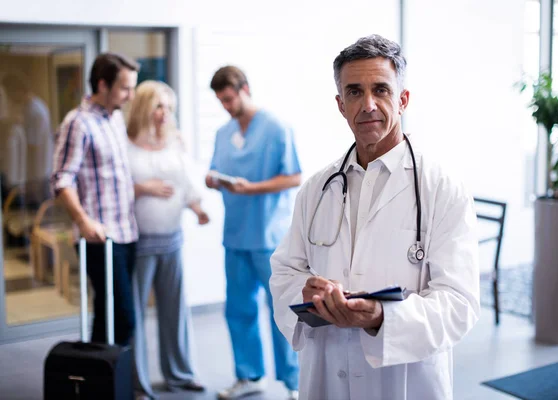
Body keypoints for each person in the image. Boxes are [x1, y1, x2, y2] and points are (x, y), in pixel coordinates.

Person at [269, 35, 480, 400]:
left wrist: (381, 317)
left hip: (406, 384)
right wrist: (303, 291)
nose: (368, 105)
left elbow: (459, 304)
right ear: (340, 104)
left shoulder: (442, 187)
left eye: (381, 90)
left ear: (403, 99)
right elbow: (285, 271)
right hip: (327, 377)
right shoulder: (317, 188)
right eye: (354, 92)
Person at [205, 66, 301, 400]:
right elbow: (219, 170)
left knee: (282, 312)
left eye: (229, 98)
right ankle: (248, 375)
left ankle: (294, 383)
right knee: (238, 310)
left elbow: (294, 176)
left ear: (245, 88)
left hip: (268, 238)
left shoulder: (276, 128)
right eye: (220, 101)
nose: (226, 106)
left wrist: (255, 188)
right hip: (235, 236)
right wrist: (214, 180)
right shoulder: (223, 132)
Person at [127, 80, 209, 400]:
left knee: (175, 312)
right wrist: (145, 188)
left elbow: (186, 182)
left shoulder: (176, 141)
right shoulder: (126, 143)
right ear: (144, 107)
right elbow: (115, 187)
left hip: (172, 238)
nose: (164, 114)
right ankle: (138, 384)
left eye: (169, 108)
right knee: (134, 314)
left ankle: (180, 375)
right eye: (159, 106)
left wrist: (198, 207)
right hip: (138, 241)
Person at [51, 52, 140, 346]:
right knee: (124, 317)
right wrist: (82, 221)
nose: (130, 95)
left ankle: (103, 382)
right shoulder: (77, 123)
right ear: (103, 85)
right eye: (125, 88)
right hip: (99, 237)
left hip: (127, 232)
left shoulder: (114, 119)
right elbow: (62, 178)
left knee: (108, 315)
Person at [1, 72, 53, 203]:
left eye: (10, 93)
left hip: (38, 175)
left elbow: (32, 147)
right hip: (36, 174)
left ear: (17, 90)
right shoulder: (30, 107)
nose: (10, 98)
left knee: (36, 210)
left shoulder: (34, 110)